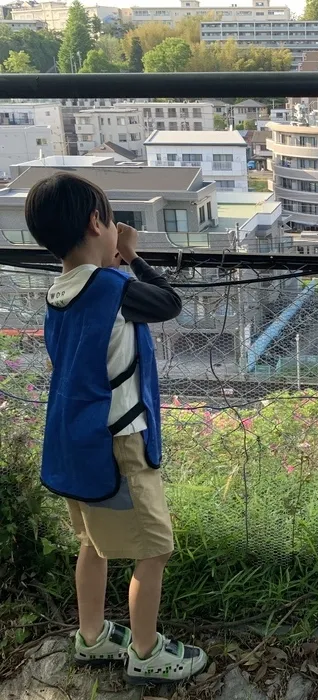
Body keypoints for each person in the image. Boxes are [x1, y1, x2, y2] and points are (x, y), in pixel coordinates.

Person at [25, 173, 208, 685]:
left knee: (94, 543)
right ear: (95, 223)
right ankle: (147, 654)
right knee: (154, 548)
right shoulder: (111, 287)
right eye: (110, 223)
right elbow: (169, 303)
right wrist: (132, 256)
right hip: (119, 445)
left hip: (74, 443)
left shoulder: (57, 294)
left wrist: (118, 258)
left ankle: (92, 637)